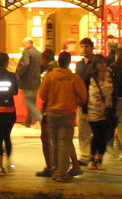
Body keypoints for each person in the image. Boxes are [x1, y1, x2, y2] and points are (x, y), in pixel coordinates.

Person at [35, 51, 87, 182]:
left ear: (58, 62)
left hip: (52, 112)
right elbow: (83, 96)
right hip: (67, 113)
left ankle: (55, 169)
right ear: (69, 63)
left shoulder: (50, 76)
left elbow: (42, 94)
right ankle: (61, 173)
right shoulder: (74, 78)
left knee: (55, 143)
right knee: (64, 143)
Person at [85, 59, 116, 169]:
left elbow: (115, 92)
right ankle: (92, 159)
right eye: (99, 62)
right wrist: (84, 110)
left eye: (103, 62)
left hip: (107, 110)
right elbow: (85, 94)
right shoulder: (90, 77)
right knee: (96, 134)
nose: (102, 65)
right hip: (93, 109)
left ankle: (99, 160)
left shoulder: (110, 75)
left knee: (103, 135)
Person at [15, 38, 43, 128]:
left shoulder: (27, 52)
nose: (23, 46)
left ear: (28, 43)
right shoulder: (39, 53)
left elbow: (25, 64)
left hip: (27, 81)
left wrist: (18, 73)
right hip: (36, 81)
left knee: (28, 102)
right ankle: (28, 120)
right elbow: (43, 66)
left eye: (24, 44)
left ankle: (40, 118)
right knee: (32, 101)